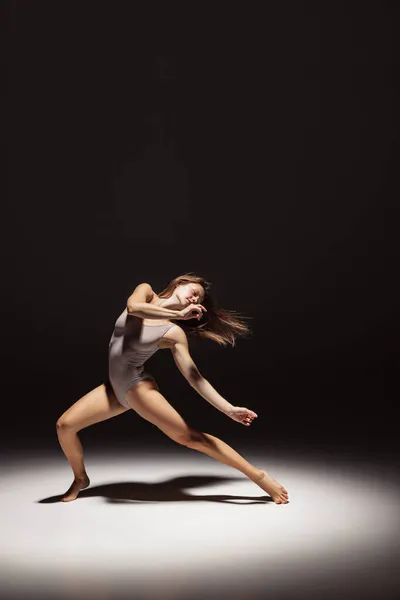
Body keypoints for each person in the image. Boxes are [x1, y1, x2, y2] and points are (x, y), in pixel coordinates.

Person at [56, 273, 289, 504]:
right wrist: (178, 313)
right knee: (65, 426)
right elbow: (134, 308)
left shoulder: (173, 333)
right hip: (113, 389)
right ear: (180, 282)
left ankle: (257, 475)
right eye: (194, 292)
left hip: (137, 388)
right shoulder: (145, 292)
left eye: (198, 300)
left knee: (190, 438)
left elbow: (195, 378)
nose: (194, 299)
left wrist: (228, 409)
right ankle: (80, 478)